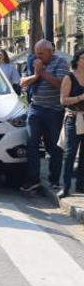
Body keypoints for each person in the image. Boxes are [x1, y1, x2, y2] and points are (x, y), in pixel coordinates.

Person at [20, 39, 70, 192]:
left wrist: (42, 73)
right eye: (37, 53)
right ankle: (33, 178)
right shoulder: (33, 62)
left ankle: (54, 179)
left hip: (54, 111)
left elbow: (60, 84)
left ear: (51, 52)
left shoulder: (60, 62)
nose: (38, 56)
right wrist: (35, 75)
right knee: (32, 143)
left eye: (41, 53)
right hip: (36, 108)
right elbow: (23, 82)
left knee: (54, 146)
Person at [58, 49, 84, 198]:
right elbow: (63, 101)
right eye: (83, 58)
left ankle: (81, 185)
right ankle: (66, 187)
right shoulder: (69, 77)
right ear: (77, 60)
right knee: (70, 153)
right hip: (73, 118)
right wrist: (81, 97)